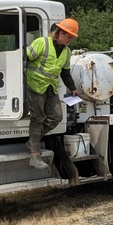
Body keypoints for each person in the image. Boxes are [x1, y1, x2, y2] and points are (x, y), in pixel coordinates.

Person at [25, 18, 79, 169]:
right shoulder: (42, 42)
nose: (70, 40)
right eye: (69, 37)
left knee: (56, 117)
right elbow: (24, 57)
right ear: (61, 33)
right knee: (38, 118)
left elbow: (65, 72)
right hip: (34, 86)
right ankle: (35, 155)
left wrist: (72, 88)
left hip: (51, 88)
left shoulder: (67, 52)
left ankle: (32, 141)